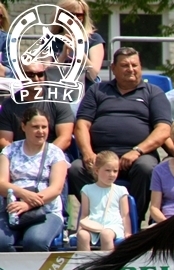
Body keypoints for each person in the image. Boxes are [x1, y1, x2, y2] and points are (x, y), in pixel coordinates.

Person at [68, 47, 172, 224]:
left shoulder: (153, 93)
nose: (130, 69)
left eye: (135, 65)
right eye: (125, 65)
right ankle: (98, 217)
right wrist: (87, 153)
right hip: (101, 157)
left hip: (138, 156)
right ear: (113, 68)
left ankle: (132, 221)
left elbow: (163, 129)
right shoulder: (97, 91)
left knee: (147, 169)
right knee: (76, 169)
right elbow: (81, 125)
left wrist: (137, 151)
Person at [0, 108, 68, 252]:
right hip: (11, 208)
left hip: (46, 210)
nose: (41, 131)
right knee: (1, 242)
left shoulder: (55, 153)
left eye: (44, 127)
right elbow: (2, 183)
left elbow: (56, 189)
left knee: (35, 241)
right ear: (24, 126)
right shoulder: (10, 150)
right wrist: (23, 194)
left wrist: (28, 204)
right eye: (35, 127)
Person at [0, 62, 75, 153]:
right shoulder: (9, 105)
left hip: (53, 155)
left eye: (40, 74)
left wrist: (42, 157)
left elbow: (65, 138)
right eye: (30, 75)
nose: (36, 79)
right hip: (19, 157)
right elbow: (4, 141)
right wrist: (23, 158)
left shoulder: (58, 100)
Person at [76, 151, 131, 251]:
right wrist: (80, 229)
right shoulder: (87, 189)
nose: (112, 174)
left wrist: (128, 232)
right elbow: (84, 214)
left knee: (106, 234)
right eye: (107, 170)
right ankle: (84, 264)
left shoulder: (121, 190)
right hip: (94, 225)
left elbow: (125, 215)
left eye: (115, 171)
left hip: (113, 225)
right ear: (97, 171)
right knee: (83, 235)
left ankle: (107, 265)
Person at [51, 0, 105, 91]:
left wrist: (79, 50)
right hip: (58, 93)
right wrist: (63, 55)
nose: (75, 19)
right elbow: (48, 75)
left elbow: (93, 75)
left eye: (79, 15)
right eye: (70, 15)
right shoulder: (51, 39)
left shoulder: (94, 39)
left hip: (86, 92)